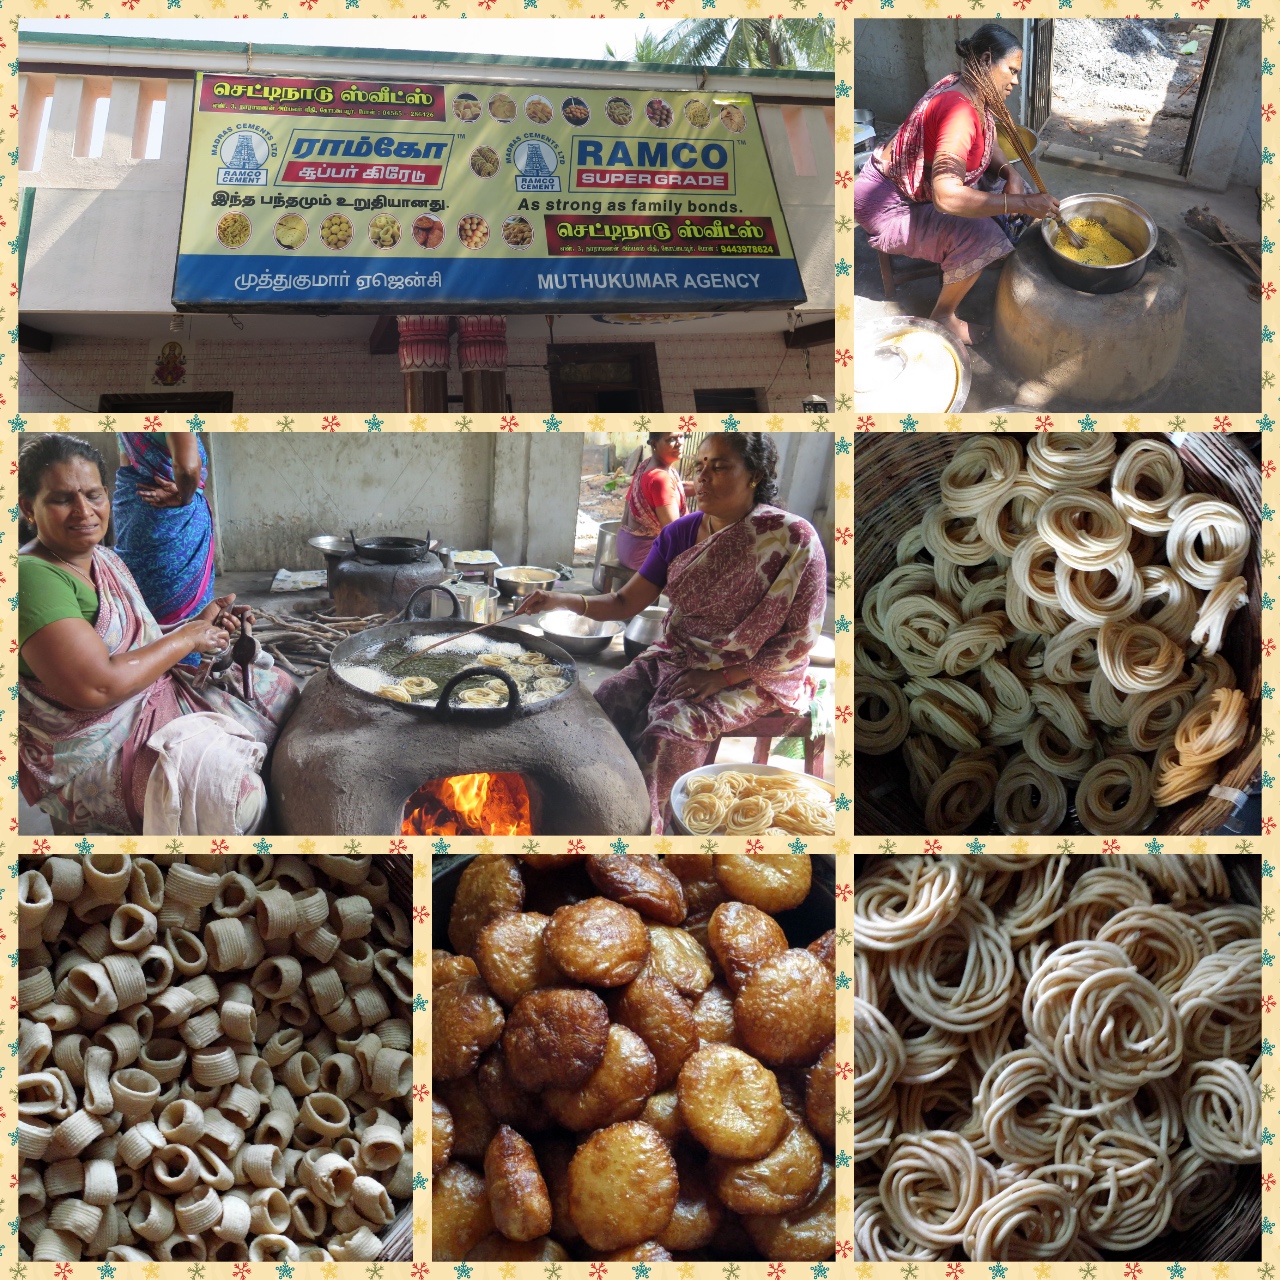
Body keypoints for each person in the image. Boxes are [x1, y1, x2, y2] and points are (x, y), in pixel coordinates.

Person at [516, 432, 827, 834]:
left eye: (720, 466)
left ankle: (653, 831)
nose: (705, 478)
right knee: (602, 703)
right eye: (701, 466)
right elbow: (625, 603)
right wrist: (558, 600)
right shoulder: (679, 534)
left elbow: (800, 639)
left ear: (755, 475)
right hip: (677, 653)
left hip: (753, 672)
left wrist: (721, 677)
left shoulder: (793, 540)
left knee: (669, 732)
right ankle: (597, 808)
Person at [17, 435, 299, 836]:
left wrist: (201, 624)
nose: (84, 511)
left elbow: (130, 641)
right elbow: (97, 687)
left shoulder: (105, 558)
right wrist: (187, 640)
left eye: (94, 495)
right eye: (62, 499)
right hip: (92, 746)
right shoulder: (30, 577)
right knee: (237, 795)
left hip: (149, 698)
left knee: (282, 693)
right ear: (29, 507)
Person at [853, 23, 1062, 346]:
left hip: (907, 187)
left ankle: (977, 254)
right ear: (987, 59)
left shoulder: (967, 85)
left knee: (998, 193)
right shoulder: (958, 111)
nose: (1016, 81)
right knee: (983, 235)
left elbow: (986, 135)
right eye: (1012, 70)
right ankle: (943, 316)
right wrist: (1022, 203)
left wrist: (1010, 173)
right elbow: (947, 198)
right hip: (889, 205)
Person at [113, 432, 215, 664]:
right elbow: (188, 469)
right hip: (169, 518)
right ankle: (180, 678)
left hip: (131, 509)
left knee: (143, 603)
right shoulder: (171, 407)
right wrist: (185, 497)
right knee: (182, 609)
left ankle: (142, 672)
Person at [616, 431, 692, 571]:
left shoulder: (645, 465)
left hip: (625, 546)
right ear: (654, 444)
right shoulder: (660, 478)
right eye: (671, 439)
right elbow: (675, 533)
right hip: (643, 554)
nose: (680, 443)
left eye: (681, 437)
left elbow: (672, 490)